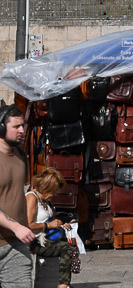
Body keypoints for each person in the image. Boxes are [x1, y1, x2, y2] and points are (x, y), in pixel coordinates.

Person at [0, 104, 35, 288]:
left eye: (23, 125)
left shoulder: (21, 156)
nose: (22, 130)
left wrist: (26, 230)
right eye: (16, 127)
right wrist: (15, 226)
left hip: (15, 246)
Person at [26, 168, 74, 288]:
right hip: (37, 240)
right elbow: (28, 224)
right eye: (54, 191)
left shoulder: (45, 201)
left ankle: (60, 282)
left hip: (47, 236)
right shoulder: (32, 198)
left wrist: (61, 225)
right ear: (47, 188)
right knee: (66, 248)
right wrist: (49, 225)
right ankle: (63, 284)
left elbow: (47, 221)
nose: (55, 194)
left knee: (69, 245)